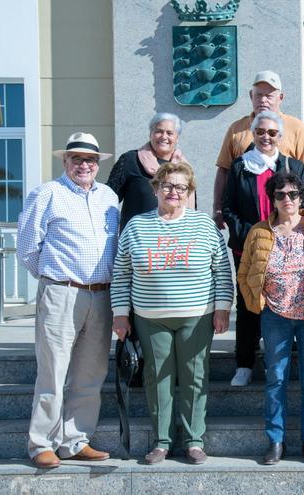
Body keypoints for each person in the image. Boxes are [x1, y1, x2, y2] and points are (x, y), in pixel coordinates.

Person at [110, 162, 233, 465]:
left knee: (194, 377)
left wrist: (222, 309)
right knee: (157, 378)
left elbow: (221, 272)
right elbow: (122, 272)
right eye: (167, 185)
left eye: (181, 187)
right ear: (155, 189)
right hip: (150, 317)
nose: (173, 192)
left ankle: (194, 441)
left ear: (190, 192)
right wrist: (120, 314)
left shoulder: (204, 225)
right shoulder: (136, 226)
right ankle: (162, 442)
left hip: (197, 315)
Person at [16, 132, 118, 469]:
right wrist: (54, 279)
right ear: (65, 162)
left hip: (101, 295)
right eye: (77, 159)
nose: (84, 165)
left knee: (91, 373)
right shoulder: (48, 193)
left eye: (90, 160)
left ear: (97, 164)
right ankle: (42, 443)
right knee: (53, 370)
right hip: (61, 292)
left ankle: (75, 440)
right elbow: (28, 248)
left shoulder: (108, 196)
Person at [237, 172, 304, 465]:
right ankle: (275, 440)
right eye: (280, 194)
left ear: (302, 197)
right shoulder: (259, 232)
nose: (287, 199)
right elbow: (244, 272)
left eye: (293, 194)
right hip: (275, 316)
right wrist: (257, 304)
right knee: (276, 380)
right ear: (272, 199)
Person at [222, 111, 304, 387]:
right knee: (248, 303)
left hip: (285, 247)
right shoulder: (239, 166)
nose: (266, 137)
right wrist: (253, 236)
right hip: (247, 249)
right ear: (253, 134)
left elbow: (301, 206)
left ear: (280, 136)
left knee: (284, 303)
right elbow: (228, 208)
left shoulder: (292, 165)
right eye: (261, 132)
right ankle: (244, 364)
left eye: (272, 133)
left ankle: (281, 362)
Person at [213, 70, 304, 229]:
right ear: (250, 96)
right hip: (246, 223)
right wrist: (218, 208)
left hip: (286, 221)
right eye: (258, 95)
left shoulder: (297, 128)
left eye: (269, 96)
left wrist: (302, 211)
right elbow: (224, 170)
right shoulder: (236, 129)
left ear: (281, 98)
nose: (263, 100)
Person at [107, 112, 194, 229]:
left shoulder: (184, 169)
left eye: (169, 133)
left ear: (177, 138)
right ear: (150, 134)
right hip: (137, 239)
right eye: (158, 131)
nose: (164, 137)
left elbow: (191, 209)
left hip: (176, 240)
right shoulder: (130, 160)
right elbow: (107, 199)